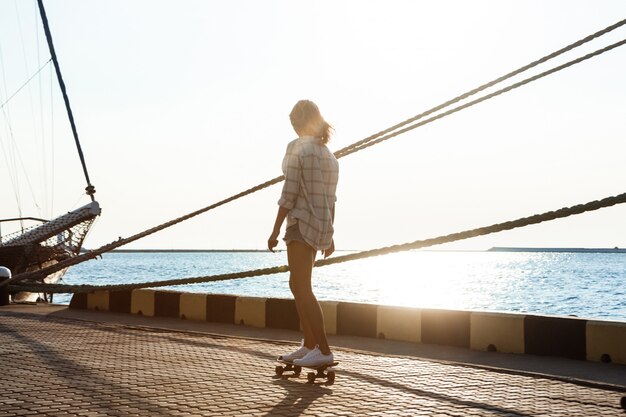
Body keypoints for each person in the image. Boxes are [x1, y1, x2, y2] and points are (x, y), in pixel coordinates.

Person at [267, 99, 339, 367]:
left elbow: (289, 194)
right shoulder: (330, 157)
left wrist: (274, 231)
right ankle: (309, 345)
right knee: (296, 284)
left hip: (299, 224)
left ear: (299, 122)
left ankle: (323, 349)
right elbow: (331, 200)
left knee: (303, 288)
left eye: (294, 122)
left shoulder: (297, 148)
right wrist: (330, 235)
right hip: (320, 226)